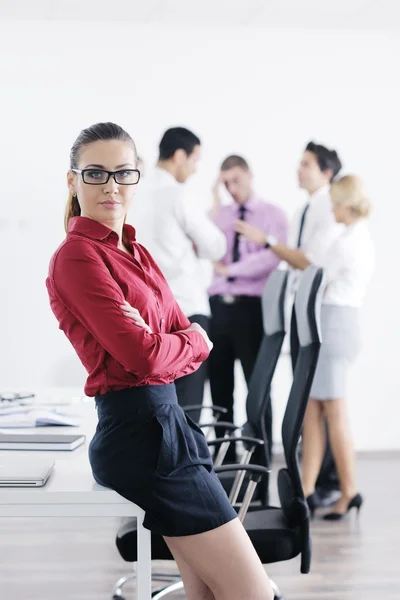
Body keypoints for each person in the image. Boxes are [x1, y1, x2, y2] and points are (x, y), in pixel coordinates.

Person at [46, 122, 274, 600]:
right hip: (141, 437)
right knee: (253, 593)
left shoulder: (138, 252)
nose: (111, 185)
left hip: (170, 427)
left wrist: (176, 339)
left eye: (122, 173)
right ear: (72, 181)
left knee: (209, 593)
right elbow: (147, 355)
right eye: (95, 173)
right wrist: (182, 340)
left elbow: (177, 334)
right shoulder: (77, 257)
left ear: (137, 178)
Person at [236, 174, 375, 519]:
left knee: (334, 412)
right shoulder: (351, 236)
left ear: (345, 203)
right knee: (312, 409)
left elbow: (314, 272)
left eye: (334, 204)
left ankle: (349, 490)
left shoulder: (348, 241)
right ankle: (306, 488)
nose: (331, 209)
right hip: (332, 321)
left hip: (335, 321)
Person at [236, 141, 343, 504]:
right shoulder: (305, 209)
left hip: (318, 310)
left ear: (326, 172)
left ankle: (325, 482)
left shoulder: (329, 207)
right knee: (308, 399)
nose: (298, 169)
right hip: (299, 310)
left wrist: (266, 242)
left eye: (306, 164)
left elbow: (309, 262)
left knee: (319, 400)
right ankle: (312, 480)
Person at [131, 127, 226, 422]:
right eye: (194, 160)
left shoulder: (132, 193)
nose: (195, 169)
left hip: (145, 314)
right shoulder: (178, 194)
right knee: (188, 409)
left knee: (155, 405)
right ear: (179, 155)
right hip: (186, 312)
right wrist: (195, 243)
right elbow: (216, 245)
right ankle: (185, 468)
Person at [208, 155, 288, 462]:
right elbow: (205, 246)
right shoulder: (220, 214)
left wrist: (231, 270)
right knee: (219, 390)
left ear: (250, 175)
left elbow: (272, 257)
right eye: (225, 182)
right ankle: (225, 468)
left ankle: (259, 465)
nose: (231, 188)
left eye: (236, 180)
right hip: (218, 309)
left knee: (257, 390)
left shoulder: (273, 215)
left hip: (252, 310)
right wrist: (215, 199)